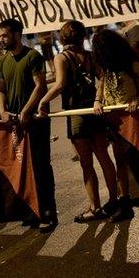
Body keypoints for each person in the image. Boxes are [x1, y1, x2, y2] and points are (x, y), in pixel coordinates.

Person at [39, 20, 118, 223]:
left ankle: (95, 207)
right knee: (104, 157)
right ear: (82, 36)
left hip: (76, 113)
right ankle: (114, 199)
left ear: (63, 37)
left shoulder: (62, 57)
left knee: (86, 163)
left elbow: (60, 84)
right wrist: (97, 99)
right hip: (95, 109)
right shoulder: (91, 56)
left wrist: (44, 100)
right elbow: (102, 79)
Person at [0, 18, 53, 230]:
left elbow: (40, 86)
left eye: (5, 35)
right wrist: (3, 111)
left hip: (34, 122)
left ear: (18, 34)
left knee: (40, 167)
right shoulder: (3, 61)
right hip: (15, 123)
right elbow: (1, 89)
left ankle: (47, 212)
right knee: (24, 168)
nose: (1, 39)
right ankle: (32, 211)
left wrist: (27, 110)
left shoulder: (33, 56)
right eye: (0, 35)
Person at [91, 28, 139, 222]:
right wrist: (97, 101)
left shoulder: (133, 64)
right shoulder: (106, 69)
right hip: (115, 123)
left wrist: (138, 97)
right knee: (120, 162)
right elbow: (100, 85)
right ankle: (125, 203)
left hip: (135, 122)